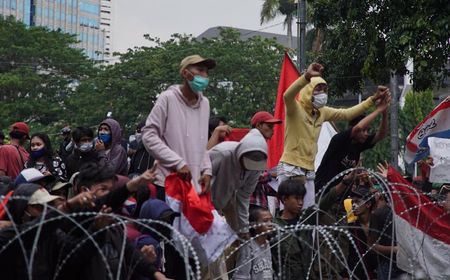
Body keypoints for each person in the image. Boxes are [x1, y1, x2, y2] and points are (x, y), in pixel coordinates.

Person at [278, 62, 388, 208]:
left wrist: (372, 99)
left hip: (309, 171)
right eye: (318, 89)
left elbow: (347, 113)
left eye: (324, 89)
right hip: (290, 167)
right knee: (289, 212)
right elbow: (287, 95)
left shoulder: (322, 112)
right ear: (308, 90)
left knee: (309, 215)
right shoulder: (295, 109)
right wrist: (306, 76)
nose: (322, 93)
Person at [142, 54, 216, 199]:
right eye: (200, 70)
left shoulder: (205, 103)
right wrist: (177, 163)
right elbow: (149, 135)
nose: (204, 75)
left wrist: (207, 169)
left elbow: (201, 143)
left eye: (206, 72)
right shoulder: (167, 98)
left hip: (193, 185)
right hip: (168, 182)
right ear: (185, 73)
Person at [272, 173, 351, 279]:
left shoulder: (305, 219)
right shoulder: (273, 227)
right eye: (296, 198)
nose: (300, 203)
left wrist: (345, 182)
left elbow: (327, 200)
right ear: (284, 199)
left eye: (301, 199)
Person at [315, 95, 390, 193]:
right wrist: (378, 110)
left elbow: (381, 135)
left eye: (368, 130)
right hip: (323, 192)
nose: (366, 134)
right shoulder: (339, 140)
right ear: (351, 127)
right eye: (364, 130)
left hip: (341, 196)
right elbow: (358, 128)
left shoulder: (359, 145)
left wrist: (384, 113)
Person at [209, 128, 268, 238]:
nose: (249, 168)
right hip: (205, 199)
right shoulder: (222, 154)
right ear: (240, 152)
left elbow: (244, 196)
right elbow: (202, 176)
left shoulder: (256, 168)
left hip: (226, 199)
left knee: (236, 235)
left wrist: (244, 228)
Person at [343, 186, 377, 279]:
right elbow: (348, 255)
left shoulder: (378, 225)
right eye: (352, 202)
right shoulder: (351, 228)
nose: (353, 205)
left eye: (357, 202)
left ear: (368, 204)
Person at [234, 206, 274, 280]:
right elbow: (241, 276)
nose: (270, 224)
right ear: (254, 225)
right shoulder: (248, 246)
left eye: (271, 220)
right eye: (265, 221)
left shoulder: (267, 244)